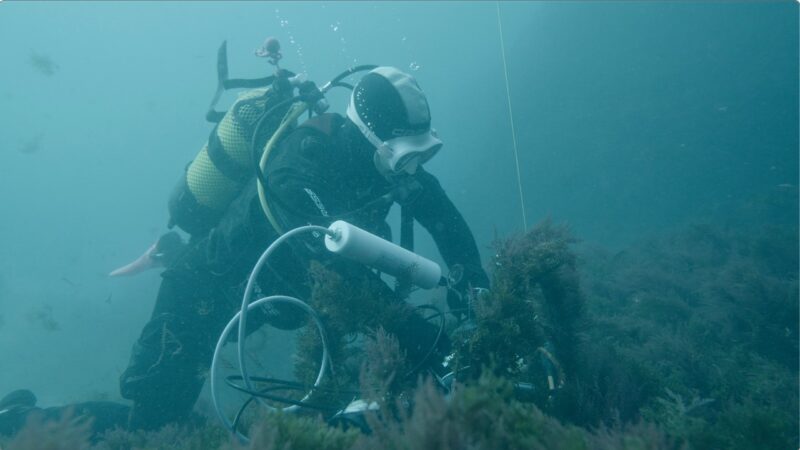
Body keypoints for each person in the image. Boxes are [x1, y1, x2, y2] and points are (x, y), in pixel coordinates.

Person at [0, 66, 489, 436]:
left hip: (257, 304)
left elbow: (442, 215)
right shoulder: (301, 161)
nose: (413, 168)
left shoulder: (385, 168)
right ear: (372, 138)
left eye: (420, 155)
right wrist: (417, 332)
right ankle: (20, 419)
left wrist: (475, 286)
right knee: (150, 424)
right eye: (407, 154)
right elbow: (326, 256)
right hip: (199, 293)